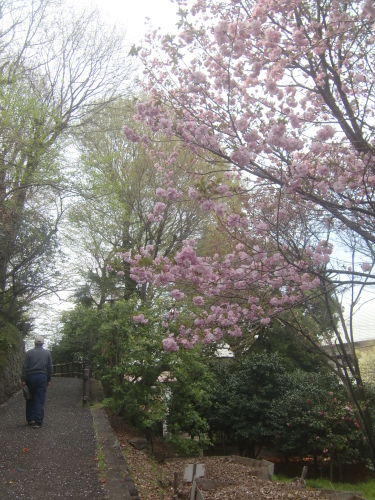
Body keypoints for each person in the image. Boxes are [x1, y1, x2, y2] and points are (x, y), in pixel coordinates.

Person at [21, 335, 52, 428]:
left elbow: (25, 367)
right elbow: (50, 368)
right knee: (39, 399)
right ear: (42, 343)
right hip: (42, 377)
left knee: (30, 398)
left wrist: (23, 379)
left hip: (30, 377)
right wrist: (48, 379)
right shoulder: (47, 353)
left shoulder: (29, 353)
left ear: (35, 343)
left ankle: (30, 419)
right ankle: (38, 421)